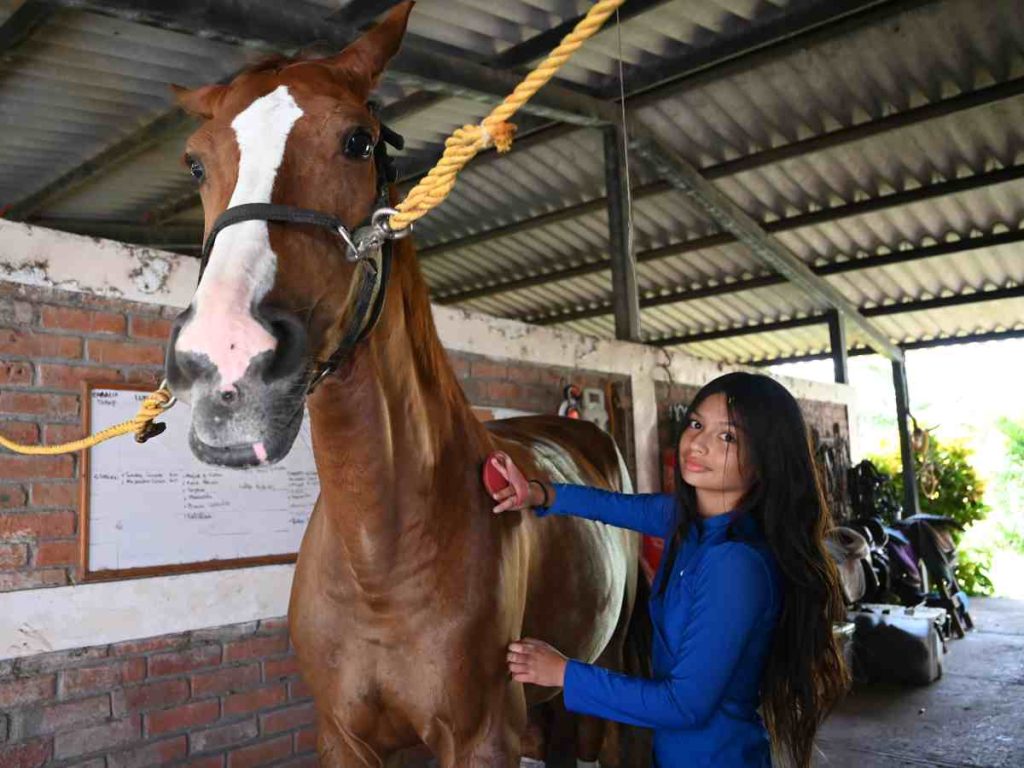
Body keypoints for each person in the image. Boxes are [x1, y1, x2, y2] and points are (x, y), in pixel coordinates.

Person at [487, 372, 849, 768]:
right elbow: (613, 506)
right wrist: (540, 493)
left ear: (765, 460)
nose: (698, 443)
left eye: (727, 437)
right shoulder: (691, 521)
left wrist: (563, 673)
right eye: (696, 424)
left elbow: (682, 705)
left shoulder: (735, 565)